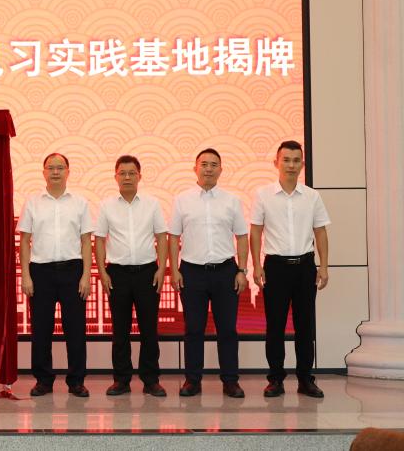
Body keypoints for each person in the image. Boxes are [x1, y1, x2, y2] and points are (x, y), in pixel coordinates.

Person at [249, 140, 330, 399]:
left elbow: (320, 231)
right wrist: (256, 265)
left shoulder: (312, 196)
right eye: (286, 160)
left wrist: (324, 266)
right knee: (275, 326)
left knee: (305, 326)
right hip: (275, 267)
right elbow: (255, 231)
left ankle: (306, 379)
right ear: (276, 163)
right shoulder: (263, 194)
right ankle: (275, 379)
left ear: (302, 164)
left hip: (305, 267)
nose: (291, 165)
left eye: (296, 160)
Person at [169, 148, 249, 398]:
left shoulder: (231, 201)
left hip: (225, 271)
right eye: (204, 164)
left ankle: (230, 381)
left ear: (221, 170)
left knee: (228, 330)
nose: (208, 169)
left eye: (214, 165)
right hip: (192, 272)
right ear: (195, 168)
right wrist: (175, 270)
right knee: (194, 329)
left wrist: (242, 270)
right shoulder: (182, 200)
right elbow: (173, 237)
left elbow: (242, 236)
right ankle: (192, 380)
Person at [18, 153, 93, 397]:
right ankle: (43, 380)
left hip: (73, 271)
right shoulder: (32, 203)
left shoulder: (80, 203)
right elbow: (25, 241)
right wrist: (26, 275)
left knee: (76, 329)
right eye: (51, 168)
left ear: (68, 172)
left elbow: (86, 241)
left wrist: (86, 275)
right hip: (41, 271)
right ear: (44, 172)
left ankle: (76, 381)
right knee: (41, 329)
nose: (56, 172)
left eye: (60, 168)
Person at [95, 155, 168, 397]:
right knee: (120, 331)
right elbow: (100, 240)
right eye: (122, 173)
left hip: (147, 273)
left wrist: (161, 268)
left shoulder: (152, 204)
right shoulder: (106, 206)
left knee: (149, 330)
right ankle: (121, 380)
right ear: (115, 176)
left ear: (139, 176)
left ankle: (151, 380)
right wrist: (102, 271)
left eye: (132, 173)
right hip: (118, 274)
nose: (127, 177)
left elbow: (161, 237)